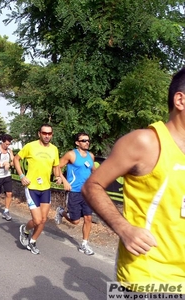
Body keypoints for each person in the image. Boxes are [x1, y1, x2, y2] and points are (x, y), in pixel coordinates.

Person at [82, 67, 185, 290]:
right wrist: (124, 228)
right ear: (180, 100)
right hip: (147, 278)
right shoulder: (146, 143)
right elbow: (92, 186)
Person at [13, 124, 62, 255]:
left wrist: (58, 176)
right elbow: (16, 159)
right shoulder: (30, 146)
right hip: (32, 187)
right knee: (37, 220)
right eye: (44, 133)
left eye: (49, 133)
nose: (47, 136)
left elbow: (56, 166)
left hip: (46, 188)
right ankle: (25, 230)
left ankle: (33, 241)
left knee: (44, 219)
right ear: (39, 133)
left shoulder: (54, 149)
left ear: (52, 135)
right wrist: (22, 176)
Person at [55, 132, 96, 255]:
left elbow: (93, 170)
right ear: (77, 142)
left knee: (88, 218)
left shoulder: (91, 156)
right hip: (74, 191)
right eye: (83, 140)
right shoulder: (71, 155)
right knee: (75, 221)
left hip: (87, 192)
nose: (87, 142)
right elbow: (57, 166)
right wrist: (64, 180)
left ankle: (84, 244)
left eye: (88, 140)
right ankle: (61, 212)